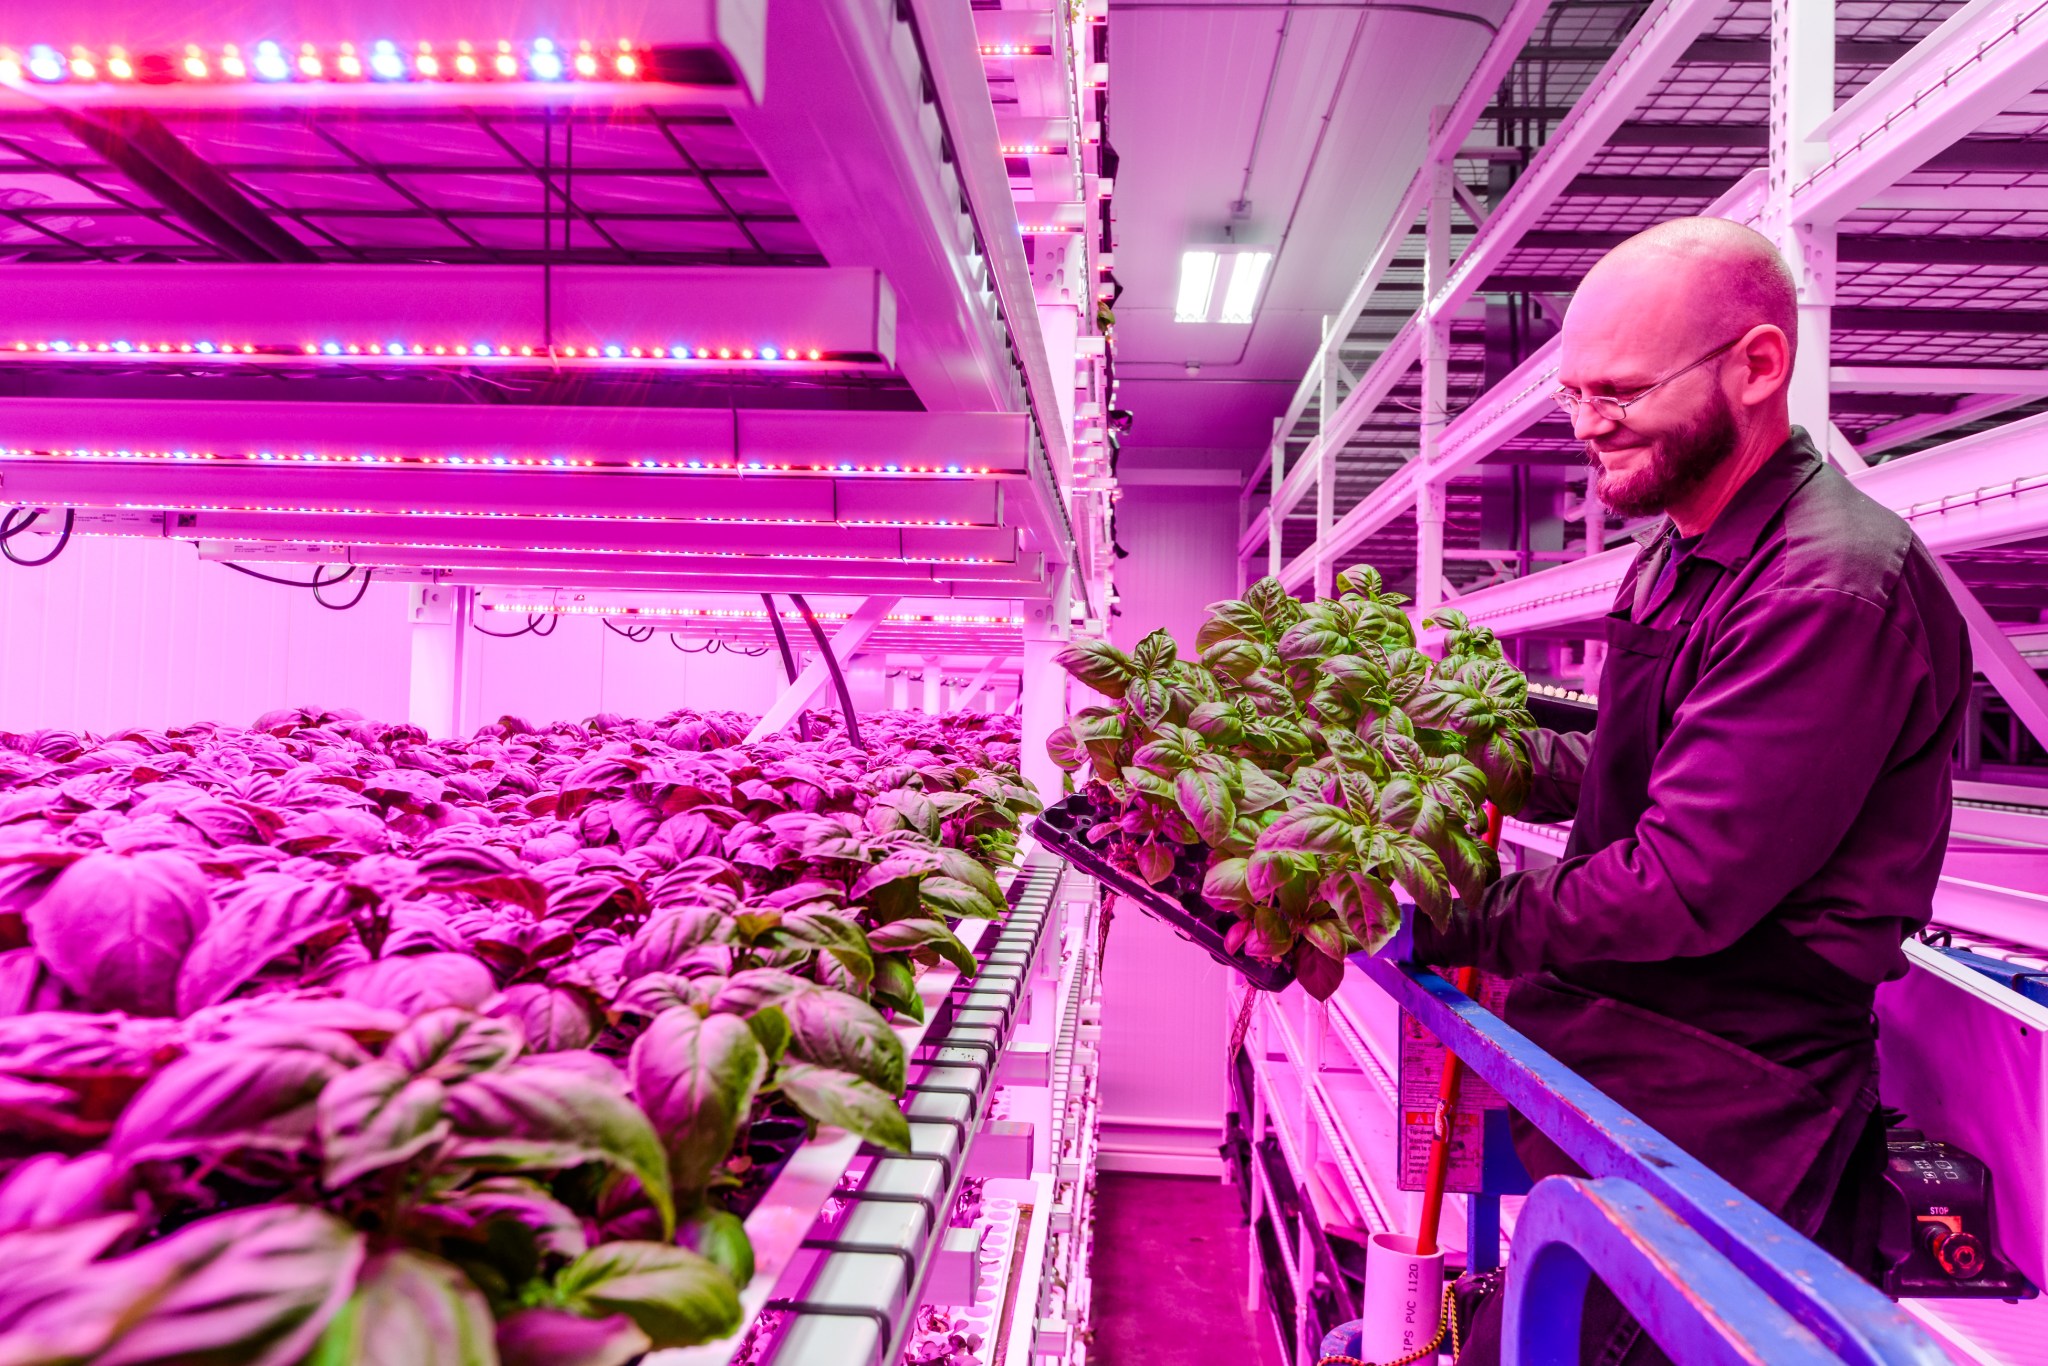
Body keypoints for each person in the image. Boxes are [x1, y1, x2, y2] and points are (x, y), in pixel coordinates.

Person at [1407, 218, 1972, 1364]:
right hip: (1629, 1059)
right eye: (1569, 394)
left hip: (1726, 1106)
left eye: (1615, 390)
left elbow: (1679, 884)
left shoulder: (1828, 587)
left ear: (1756, 367)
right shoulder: (1684, 543)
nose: (1582, 428)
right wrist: (1473, 757)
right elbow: (1642, 760)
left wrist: (1438, 911)